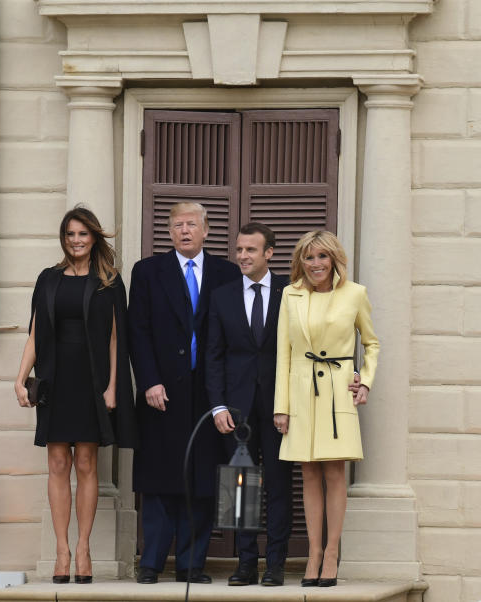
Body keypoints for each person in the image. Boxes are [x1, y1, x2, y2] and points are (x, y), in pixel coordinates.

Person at [15, 205, 136, 585]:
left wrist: (113, 386)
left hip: (92, 379)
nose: (76, 240)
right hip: (55, 378)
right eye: (70, 234)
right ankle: (61, 551)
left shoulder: (110, 281)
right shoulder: (48, 279)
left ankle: (83, 547)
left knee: (85, 463)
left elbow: (118, 339)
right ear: (63, 238)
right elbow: (35, 333)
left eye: (83, 234)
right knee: (56, 464)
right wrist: (20, 379)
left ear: (94, 237)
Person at [128, 202, 239, 584]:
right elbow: (137, 331)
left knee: (204, 479)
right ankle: (152, 563)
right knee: (159, 478)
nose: (184, 231)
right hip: (161, 391)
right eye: (177, 225)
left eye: (192, 224)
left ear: (206, 230)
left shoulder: (227, 273)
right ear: (169, 231)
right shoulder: (147, 272)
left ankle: (192, 564)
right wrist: (148, 381)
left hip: (210, 393)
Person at [272, 230, 379, 588]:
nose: (315, 264)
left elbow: (372, 343)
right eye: (308, 257)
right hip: (301, 391)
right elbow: (283, 354)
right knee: (308, 472)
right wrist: (281, 407)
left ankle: (332, 552)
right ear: (300, 261)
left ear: (334, 259)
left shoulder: (355, 294)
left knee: (334, 471)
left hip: (336, 390)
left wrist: (364, 381)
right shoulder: (291, 294)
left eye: (322, 256)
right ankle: (313, 553)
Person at [205, 222, 292, 587]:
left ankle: (275, 564)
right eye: (239, 249)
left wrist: (290, 403)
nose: (242, 256)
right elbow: (214, 356)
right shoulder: (222, 296)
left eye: (250, 250)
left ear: (269, 253)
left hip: (279, 408)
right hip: (236, 409)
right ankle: (245, 564)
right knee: (240, 485)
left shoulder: (291, 293)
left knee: (278, 484)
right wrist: (218, 406)